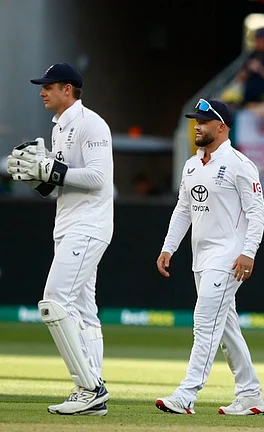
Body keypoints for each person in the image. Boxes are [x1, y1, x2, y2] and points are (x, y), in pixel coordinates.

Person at [5, 62, 113, 416]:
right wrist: (38, 179)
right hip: (68, 224)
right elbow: (57, 184)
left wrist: (50, 169)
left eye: (48, 87)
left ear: (67, 89)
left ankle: (90, 388)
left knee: (53, 302)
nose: (42, 92)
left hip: (89, 225)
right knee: (84, 312)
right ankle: (91, 395)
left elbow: (98, 177)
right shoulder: (59, 127)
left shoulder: (91, 123)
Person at [154, 99, 264, 416]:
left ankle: (186, 395)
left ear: (221, 127)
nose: (197, 126)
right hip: (200, 259)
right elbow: (183, 209)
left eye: (203, 121)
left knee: (204, 325)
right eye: (195, 121)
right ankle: (250, 395)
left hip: (229, 258)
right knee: (226, 329)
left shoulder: (240, 165)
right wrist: (168, 247)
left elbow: (258, 213)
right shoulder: (191, 165)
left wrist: (248, 252)